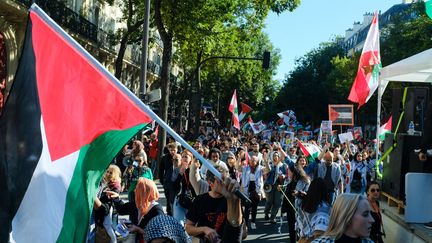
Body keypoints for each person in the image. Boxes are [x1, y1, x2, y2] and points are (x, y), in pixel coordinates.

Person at [185, 166, 244, 243]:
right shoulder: (200, 200)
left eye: (226, 180)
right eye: (221, 181)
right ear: (210, 183)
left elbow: (242, 230)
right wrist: (204, 229)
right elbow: (188, 228)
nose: (225, 184)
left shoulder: (233, 199)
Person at [297, 178, 331, 243]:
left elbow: (301, 224)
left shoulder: (304, 204)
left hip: (303, 240)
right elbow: (320, 231)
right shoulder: (325, 208)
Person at [239, 155, 264, 230]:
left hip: (256, 190)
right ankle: (245, 224)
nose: (252, 161)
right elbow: (237, 167)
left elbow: (268, 170)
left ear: (257, 162)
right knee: (247, 208)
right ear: (249, 161)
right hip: (247, 189)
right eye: (251, 160)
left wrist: (265, 160)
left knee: (254, 208)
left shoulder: (260, 168)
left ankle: (253, 222)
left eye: (254, 160)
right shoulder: (245, 168)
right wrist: (239, 159)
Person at [263, 150, 288, 223]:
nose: (275, 157)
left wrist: (283, 176)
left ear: (279, 157)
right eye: (274, 155)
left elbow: (287, 174)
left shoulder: (283, 165)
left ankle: (272, 217)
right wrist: (266, 162)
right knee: (269, 201)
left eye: (277, 155)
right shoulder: (270, 164)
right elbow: (267, 171)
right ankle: (266, 212)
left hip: (279, 185)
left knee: (277, 202)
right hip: (270, 185)